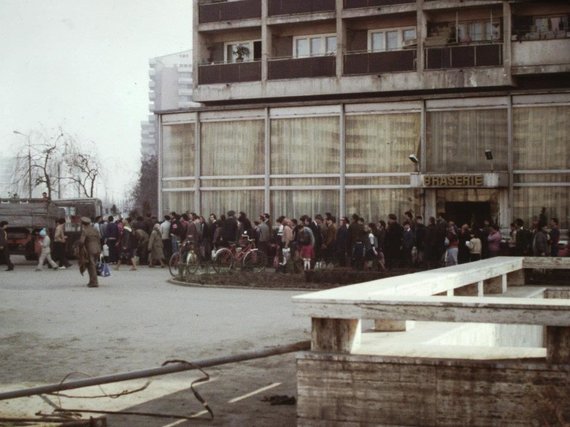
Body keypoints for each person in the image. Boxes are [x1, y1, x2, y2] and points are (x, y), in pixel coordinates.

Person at [78, 217, 102, 287]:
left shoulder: (85, 230)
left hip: (90, 249)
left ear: (83, 224)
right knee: (94, 264)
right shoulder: (95, 230)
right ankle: (91, 281)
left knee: (91, 266)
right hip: (97, 248)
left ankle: (94, 282)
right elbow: (99, 239)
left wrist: (80, 248)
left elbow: (81, 241)